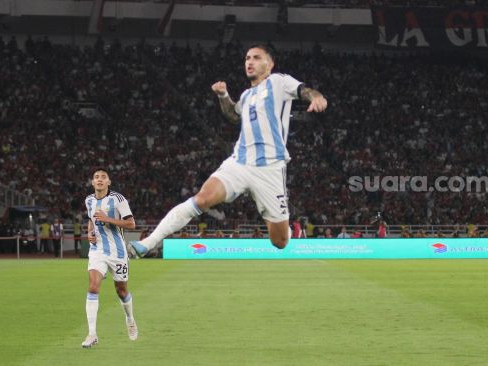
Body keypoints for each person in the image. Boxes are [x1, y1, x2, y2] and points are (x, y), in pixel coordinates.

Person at [130, 44, 327, 256]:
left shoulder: (279, 81)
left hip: (269, 168)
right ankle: (148, 243)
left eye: (256, 58)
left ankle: (287, 230)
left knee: (280, 242)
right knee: (202, 199)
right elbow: (234, 116)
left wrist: (315, 97)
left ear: (269, 64)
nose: (249, 62)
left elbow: (304, 90)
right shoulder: (246, 95)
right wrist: (223, 96)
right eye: (247, 58)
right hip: (239, 163)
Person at [81, 168, 138, 348]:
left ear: (108, 182)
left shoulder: (118, 199)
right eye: (96, 177)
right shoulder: (88, 200)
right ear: (92, 182)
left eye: (103, 177)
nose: (99, 179)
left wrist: (108, 219)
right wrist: (89, 232)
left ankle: (130, 318)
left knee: (121, 291)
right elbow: (91, 219)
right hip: (97, 250)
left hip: (118, 253)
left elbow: (131, 223)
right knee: (93, 286)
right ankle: (92, 334)